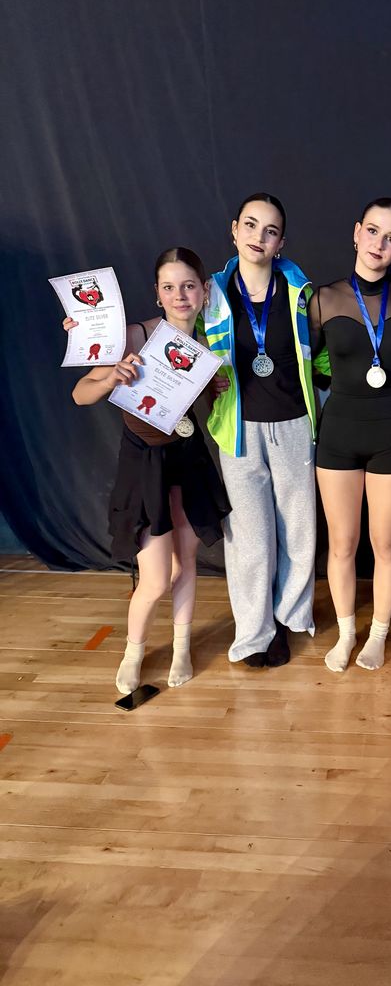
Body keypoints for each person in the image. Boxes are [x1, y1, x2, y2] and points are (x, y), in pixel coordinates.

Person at [67, 247, 230, 693]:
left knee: (187, 562)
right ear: (158, 294)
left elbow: (199, 405)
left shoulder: (211, 343)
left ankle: (181, 649)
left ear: (203, 291)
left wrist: (216, 388)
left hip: (188, 458)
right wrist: (110, 376)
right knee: (155, 578)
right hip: (144, 463)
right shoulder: (135, 335)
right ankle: (133, 652)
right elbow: (81, 394)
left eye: (189, 286)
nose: (180, 295)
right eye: (169, 287)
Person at [201, 193, 324, 668]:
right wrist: (99, 334)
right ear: (234, 230)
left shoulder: (301, 293)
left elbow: (327, 354)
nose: (259, 237)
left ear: (281, 242)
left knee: (298, 531)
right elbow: (171, 329)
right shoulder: (210, 294)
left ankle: (288, 619)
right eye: (250, 225)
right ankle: (254, 632)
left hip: (293, 424)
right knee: (249, 539)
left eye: (270, 231)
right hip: (238, 430)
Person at [310, 198, 391, 672]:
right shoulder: (324, 298)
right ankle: (347, 632)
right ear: (356, 233)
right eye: (373, 231)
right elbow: (302, 363)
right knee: (341, 544)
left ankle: (377, 635)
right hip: (338, 434)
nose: (379, 244)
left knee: (387, 544)